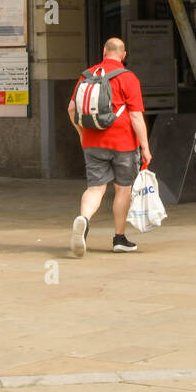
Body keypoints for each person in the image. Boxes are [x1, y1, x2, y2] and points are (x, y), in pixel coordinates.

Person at [67, 37, 151, 256]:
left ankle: (83, 219)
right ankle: (119, 238)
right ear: (124, 55)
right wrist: (145, 147)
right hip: (123, 142)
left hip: (92, 142)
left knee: (95, 188)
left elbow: (71, 109)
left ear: (104, 52)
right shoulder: (128, 77)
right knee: (123, 189)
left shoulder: (87, 75)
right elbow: (135, 116)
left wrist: (83, 134)